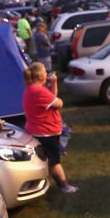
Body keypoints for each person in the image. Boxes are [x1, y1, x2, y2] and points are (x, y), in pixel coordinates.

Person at [21, 62, 76, 193]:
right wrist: (57, 100)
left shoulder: (33, 88)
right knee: (54, 161)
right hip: (45, 132)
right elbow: (59, 103)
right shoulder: (39, 91)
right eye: (45, 71)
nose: (47, 73)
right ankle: (64, 186)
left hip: (38, 129)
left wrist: (54, 83)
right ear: (40, 75)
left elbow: (52, 98)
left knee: (47, 159)